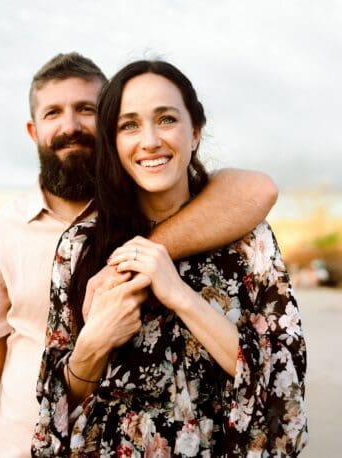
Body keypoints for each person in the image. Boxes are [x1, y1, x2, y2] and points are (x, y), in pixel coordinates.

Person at [0, 52, 278, 458]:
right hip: (24, 443)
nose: (70, 126)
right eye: (53, 112)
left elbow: (256, 190)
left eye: (86, 109)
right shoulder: (12, 225)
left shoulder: (165, 210)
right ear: (34, 131)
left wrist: (138, 255)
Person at [32, 60, 307, 457]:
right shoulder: (79, 246)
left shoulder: (250, 240)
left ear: (195, 131)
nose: (149, 141)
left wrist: (180, 295)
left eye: (165, 119)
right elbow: (54, 410)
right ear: (112, 141)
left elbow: (285, 381)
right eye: (129, 125)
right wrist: (93, 344)